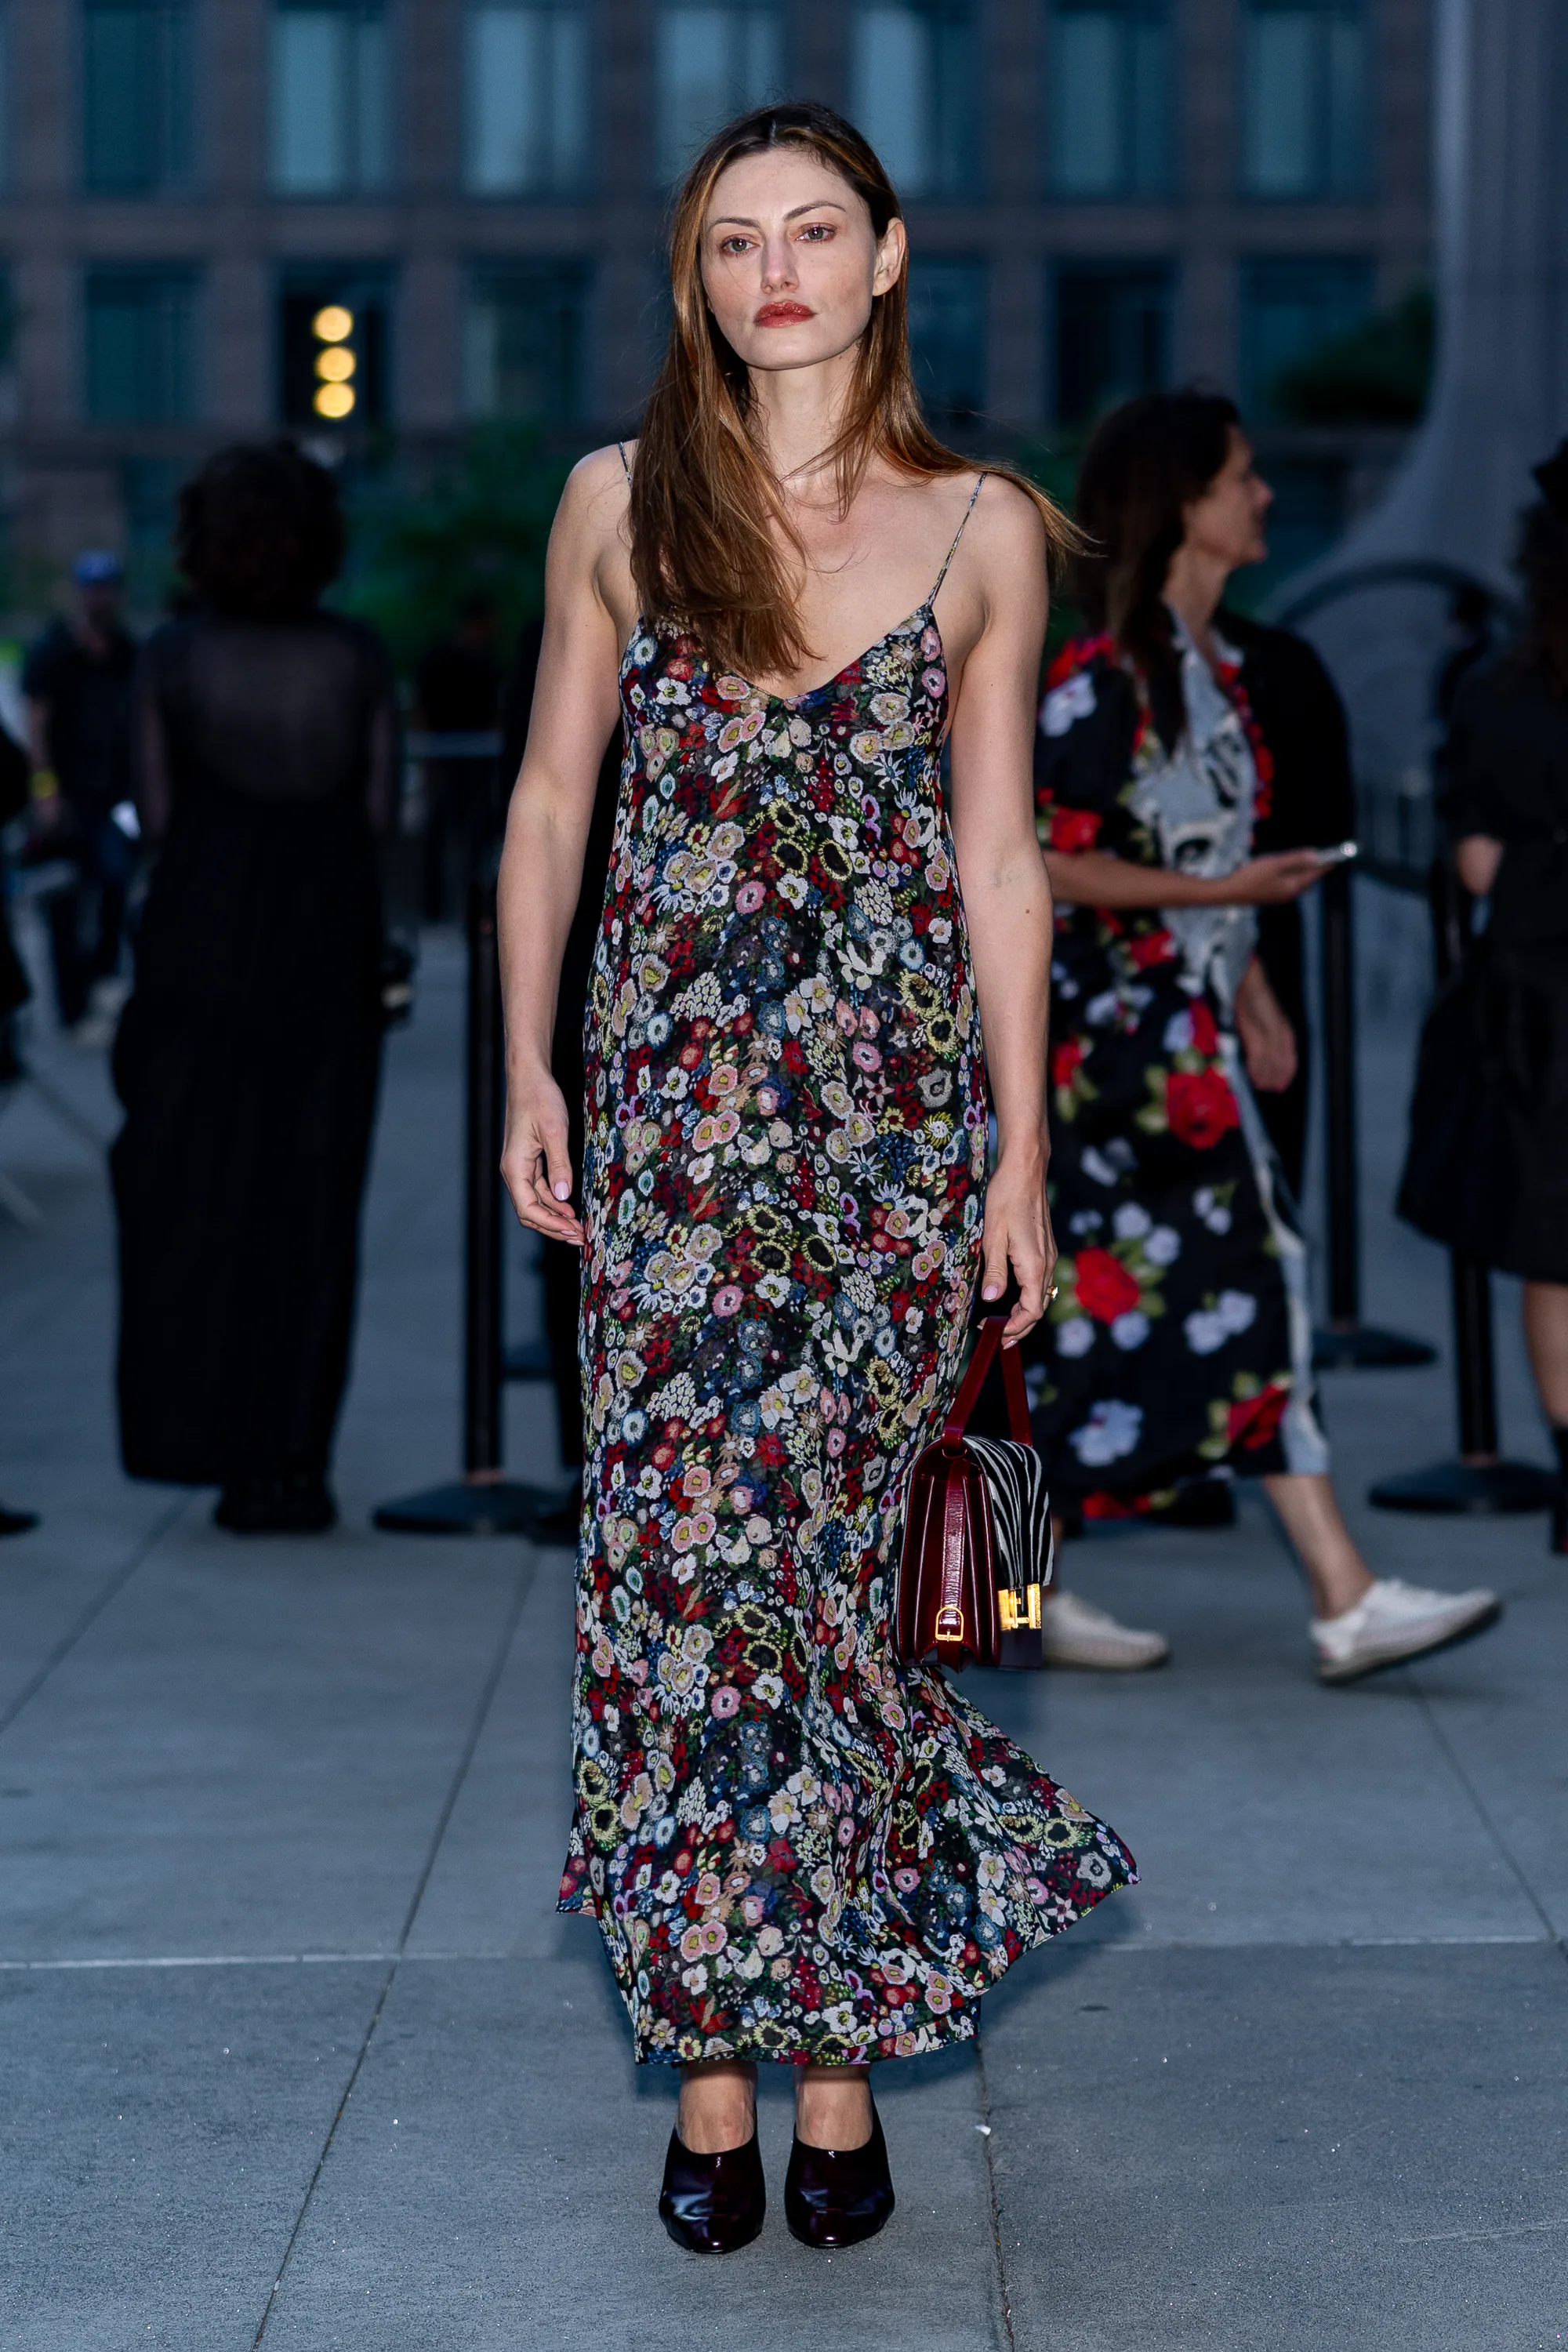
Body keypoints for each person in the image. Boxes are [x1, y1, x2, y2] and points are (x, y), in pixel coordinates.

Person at [496, 102, 1134, 2256]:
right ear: (698, 278)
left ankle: (838, 2049)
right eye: (731, 238)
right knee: (677, 1589)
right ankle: (708, 2055)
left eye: (812, 229)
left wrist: (1021, 1151)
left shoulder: (984, 527)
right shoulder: (615, 501)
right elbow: (550, 802)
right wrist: (526, 1062)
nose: (773, 269)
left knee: (847, 1599)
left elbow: (999, 859)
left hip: (885, 1143)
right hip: (673, 1136)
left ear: (885, 257)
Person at [1028, 390, 1501, 1680]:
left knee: (1082, 1325)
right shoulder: (1100, 682)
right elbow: (1044, 861)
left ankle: (1022, 1603)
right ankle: (1343, 1597)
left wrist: (1249, 989)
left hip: (1174, 1036)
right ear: (1185, 504)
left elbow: (1195, 868)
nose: (1265, 496)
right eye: (1242, 477)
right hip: (1118, 1053)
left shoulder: (1213, 674)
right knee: (1255, 1285)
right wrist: (1224, 905)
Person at [111, 442, 396, 1535]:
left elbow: (157, 819)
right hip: (327, 950)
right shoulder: (356, 656)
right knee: (315, 1205)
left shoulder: (173, 657)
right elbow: (380, 815)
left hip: (202, 951)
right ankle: (295, 1461)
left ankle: (221, 1443)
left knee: (200, 1198)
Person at [1399, 441, 1568, 1552]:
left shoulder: (1498, 688)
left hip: (1537, 1002)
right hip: (1538, 1000)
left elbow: (1473, 866)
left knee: (1554, 1252)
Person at [496, 617, 620, 1507]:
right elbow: (540, 800)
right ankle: (592, 1456)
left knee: (573, 1213)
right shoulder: (605, 570)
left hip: (592, 951)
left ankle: (585, 1457)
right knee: (573, 1207)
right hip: (605, 961)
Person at [24, 552, 138, 1033]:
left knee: (115, 885)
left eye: (107, 588)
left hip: (116, 796)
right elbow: (37, 726)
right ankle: (72, 1005)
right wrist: (46, 791)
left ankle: (104, 982)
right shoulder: (54, 652)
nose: (100, 598)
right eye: (93, 589)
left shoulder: (128, 652)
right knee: (65, 900)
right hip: (67, 800)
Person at [414, 589, 504, 922]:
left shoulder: (489, 663)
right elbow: (422, 710)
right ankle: (435, 907)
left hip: (477, 763)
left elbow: (495, 714)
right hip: (443, 759)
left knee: (476, 836)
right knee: (438, 833)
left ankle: (472, 905)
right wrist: (427, 758)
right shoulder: (440, 660)